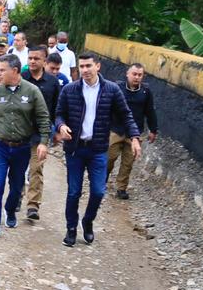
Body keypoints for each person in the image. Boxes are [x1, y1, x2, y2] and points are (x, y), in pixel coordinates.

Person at [54, 52, 140, 247]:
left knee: (99, 191)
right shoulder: (69, 90)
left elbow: (126, 115)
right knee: (74, 192)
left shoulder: (111, 90)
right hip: (75, 149)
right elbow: (59, 114)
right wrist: (61, 126)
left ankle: (88, 221)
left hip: (98, 149)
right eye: (81, 66)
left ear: (97, 67)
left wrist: (134, 137)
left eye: (88, 66)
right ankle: (71, 228)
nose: (84, 70)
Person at [0, 54, 50, 239]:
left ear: (15, 71)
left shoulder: (32, 91)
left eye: (2, 70)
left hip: (22, 148)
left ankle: (10, 210)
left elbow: (43, 118)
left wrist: (43, 142)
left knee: (16, 186)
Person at [107, 63, 159, 200]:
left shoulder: (145, 92)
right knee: (109, 158)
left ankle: (121, 188)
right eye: (134, 74)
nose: (136, 77)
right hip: (115, 130)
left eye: (139, 75)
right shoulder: (117, 88)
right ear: (127, 74)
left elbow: (150, 111)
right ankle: (101, 180)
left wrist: (153, 129)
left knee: (128, 162)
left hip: (135, 134)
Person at [21, 46, 61, 221]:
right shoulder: (21, 79)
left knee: (36, 169)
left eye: (36, 58)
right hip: (20, 133)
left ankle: (32, 205)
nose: (32, 61)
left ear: (44, 61)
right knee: (18, 169)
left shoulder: (52, 83)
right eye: (30, 58)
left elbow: (58, 109)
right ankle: (16, 197)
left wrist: (58, 130)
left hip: (41, 134)